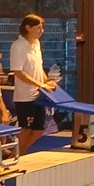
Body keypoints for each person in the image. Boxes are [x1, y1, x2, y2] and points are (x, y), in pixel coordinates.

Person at [10, 13, 56, 156]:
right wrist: (41, 84)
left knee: (39, 130)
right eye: (38, 27)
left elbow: (39, 67)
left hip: (38, 95)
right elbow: (18, 72)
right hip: (25, 96)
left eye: (42, 27)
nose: (42, 30)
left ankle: (18, 153)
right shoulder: (18, 46)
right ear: (28, 27)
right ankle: (16, 155)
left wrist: (46, 81)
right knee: (26, 129)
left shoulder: (37, 44)